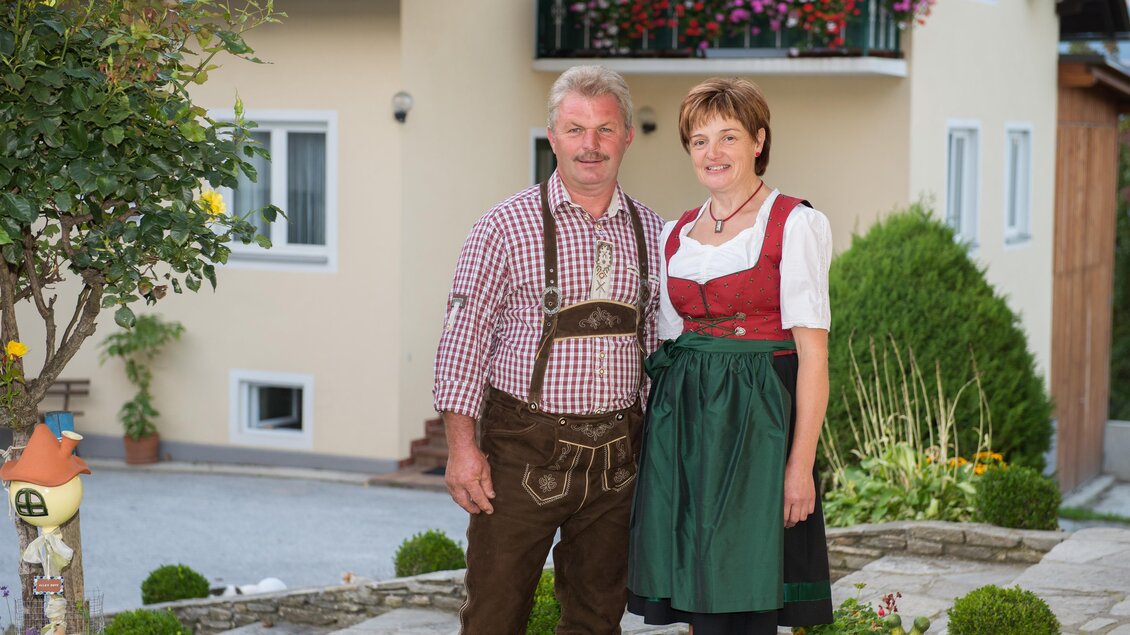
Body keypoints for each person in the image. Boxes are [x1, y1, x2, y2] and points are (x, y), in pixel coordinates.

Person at [433, 65, 664, 634]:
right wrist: (463, 449)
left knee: (597, 618)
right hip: (521, 451)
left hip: (618, 457)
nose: (591, 145)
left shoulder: (656, 233)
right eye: (575, 129)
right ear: (553, 135)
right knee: (494, 613)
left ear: (627, 136)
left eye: (606, 129)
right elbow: (463, 341)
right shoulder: (502, 227)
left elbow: (661, 349)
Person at [626, 77, 835, 634]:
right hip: (685, 427)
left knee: (745, 594)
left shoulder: (794, 224)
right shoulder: (674, 234)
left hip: (757, 425)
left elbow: (813, 357)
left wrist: (800, 467)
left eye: (728, 137)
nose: (713, 153)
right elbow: (669, 342)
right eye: (699, 140)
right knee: (697, 591)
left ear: (759, 141)